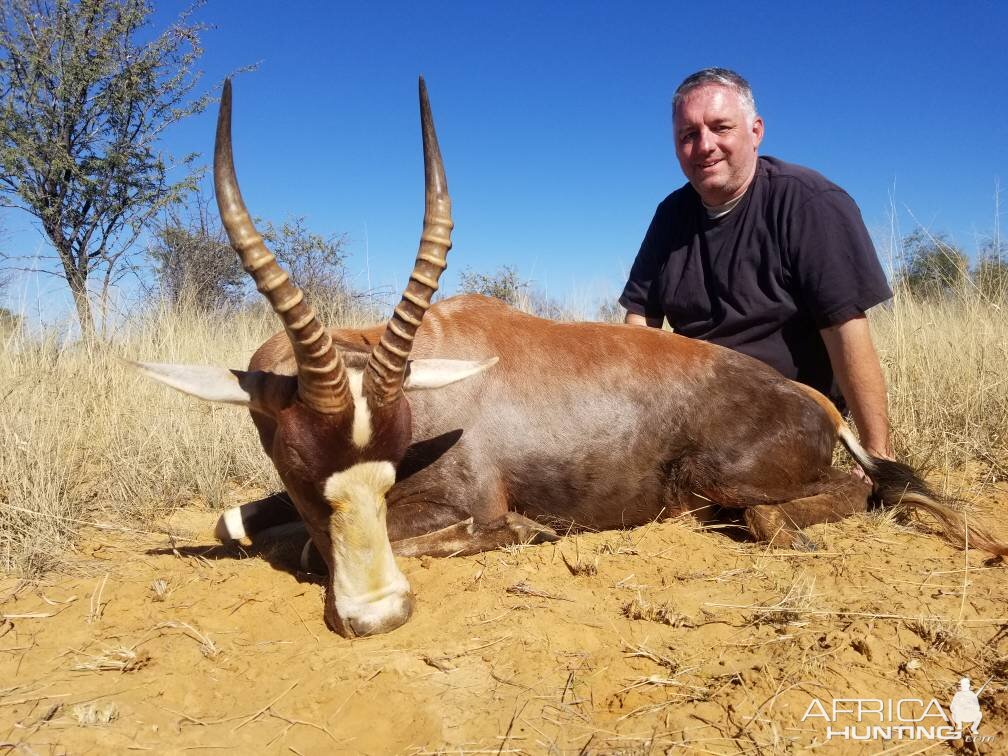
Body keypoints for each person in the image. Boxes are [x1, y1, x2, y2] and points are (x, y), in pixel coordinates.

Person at [620, 67, 894, 461]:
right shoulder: (670, 216)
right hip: (692, 410)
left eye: (721, 128)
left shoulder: (809, 202)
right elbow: (639, 325)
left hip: (785, 413)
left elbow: (846, 330)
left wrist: (876, 454)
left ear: (756, 131)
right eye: (688, 135)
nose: (704, 146)